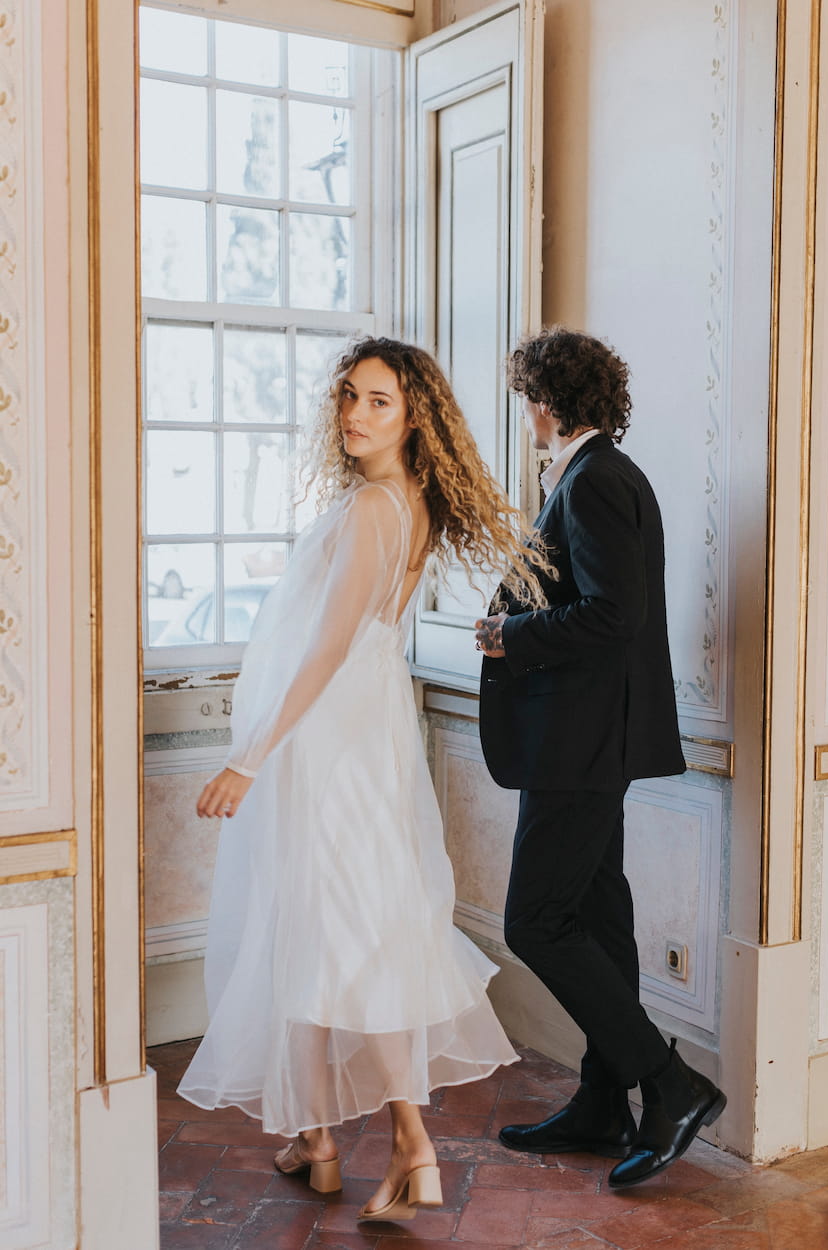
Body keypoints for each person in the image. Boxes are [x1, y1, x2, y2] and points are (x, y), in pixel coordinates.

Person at [178, 336, 556, 1222]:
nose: (354, 412)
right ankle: (318, 1141)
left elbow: (329, 643)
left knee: (341, 931)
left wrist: (248, 755)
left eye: (378, 400)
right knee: (325, 930)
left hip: (332, 745)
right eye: (349, 395)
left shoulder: (372, 511)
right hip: (359, 739)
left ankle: (406, 1145)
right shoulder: (407, 502)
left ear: (414, 413)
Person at [475, 326, 726, 1189]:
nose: (526, 414)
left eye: (525, 400)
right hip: (587, 740)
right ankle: (597, 1102)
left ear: (545, 402)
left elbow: (611, 616)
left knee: (533, 922)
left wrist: (510, 633)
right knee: (599, 917)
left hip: (580, 744)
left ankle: (669, 1083)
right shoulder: (596, 474)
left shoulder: (593, 481)